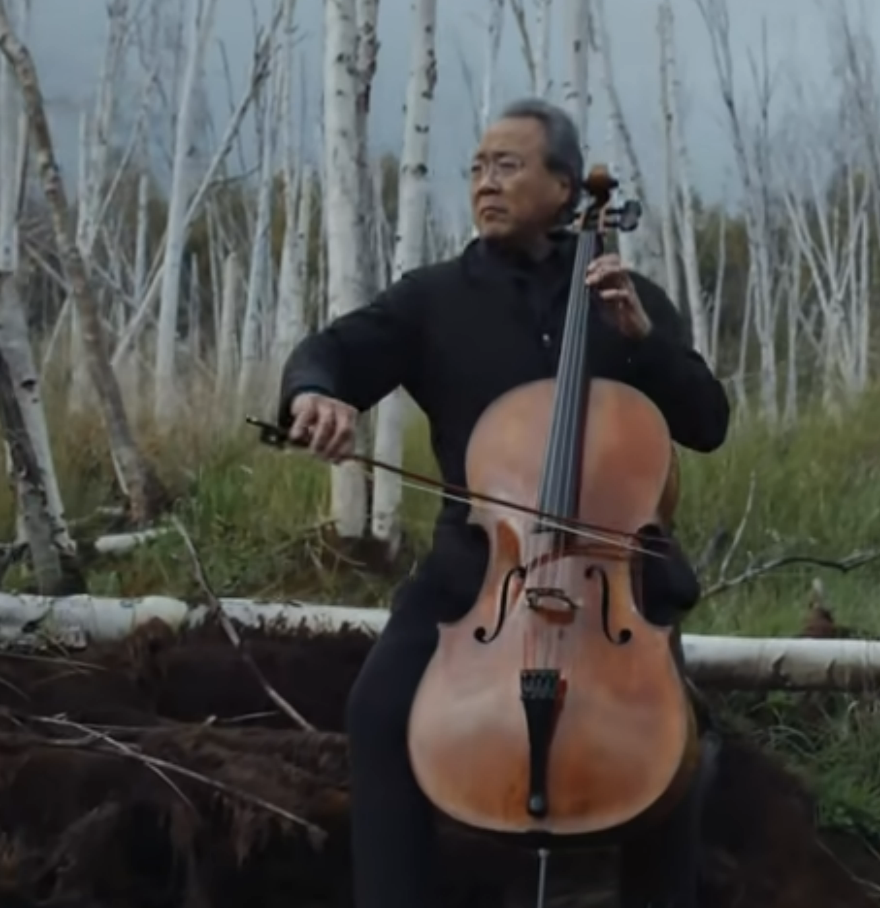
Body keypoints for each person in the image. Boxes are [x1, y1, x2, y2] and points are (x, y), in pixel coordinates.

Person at [277, 97, 732, 908]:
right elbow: (334, 351)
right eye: (478, 168)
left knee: (673, 751)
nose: (486, 183)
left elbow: (706, 423)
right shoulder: (434, 297)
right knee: (377, 710)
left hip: (615, 583)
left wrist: (642, 343)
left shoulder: (626, 295)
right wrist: (318, 394)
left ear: (565, 187)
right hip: (481, 571)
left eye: (508, 166)